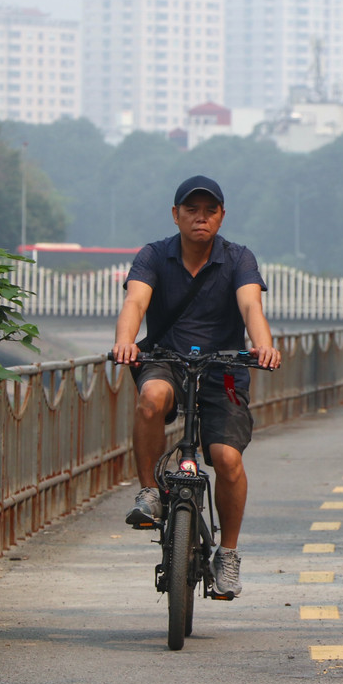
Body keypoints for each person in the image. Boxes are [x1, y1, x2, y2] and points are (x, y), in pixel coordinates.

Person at [111, 175, 281, 598]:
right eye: (191, 210)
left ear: (222, 216)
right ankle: (150, 492)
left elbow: (250, 305)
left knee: (225, 459)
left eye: (210, 210)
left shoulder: (238, 258)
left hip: (222, 367)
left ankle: (227, 553)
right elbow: (135, 300)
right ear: (176, 215)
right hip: (167, 358)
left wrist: (264, 347)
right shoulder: (153, 255)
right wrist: (125, 342)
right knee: (151, 399)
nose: (200, 218)